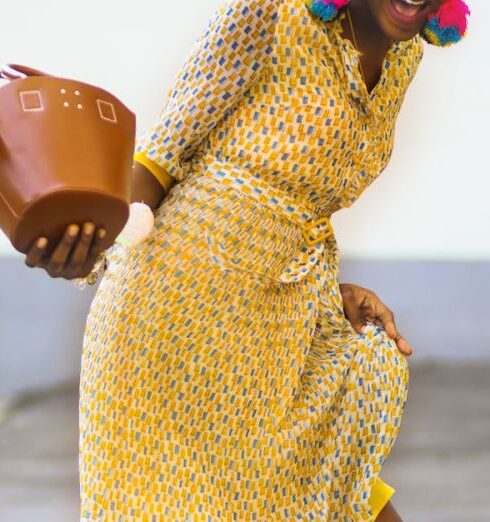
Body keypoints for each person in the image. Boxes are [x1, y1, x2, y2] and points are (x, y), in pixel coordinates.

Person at [24, 0, 470, 519]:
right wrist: (89, 245)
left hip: (279, 336)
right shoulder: (268, 14)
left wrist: (332, 292)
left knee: (339, 498)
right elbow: (160, 159)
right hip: (173, 327)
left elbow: (299, 199)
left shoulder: (403, 56)